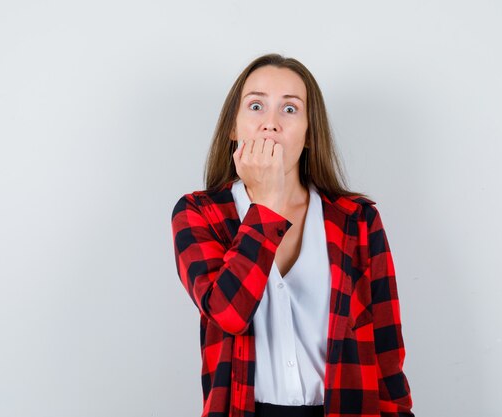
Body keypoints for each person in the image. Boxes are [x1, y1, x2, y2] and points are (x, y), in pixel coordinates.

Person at [170, 53, 415, 417]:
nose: (270, 124)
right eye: (256, 106)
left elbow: (386, 353)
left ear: (309, 132)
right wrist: (267, 204)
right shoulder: (199, 212)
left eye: (289, 109)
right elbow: (227, 313)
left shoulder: (358, 220)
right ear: (233, 129)